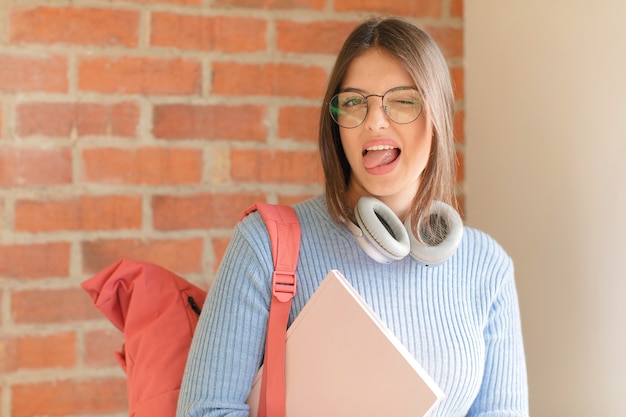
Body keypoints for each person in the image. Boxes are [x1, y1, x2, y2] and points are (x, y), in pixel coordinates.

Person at [177, 17, 528, 417]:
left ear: (437, 118)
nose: (375, 121)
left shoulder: (487, 267)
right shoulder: (265, 245)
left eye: (402, 100)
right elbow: (204, 410)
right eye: (354, 102)